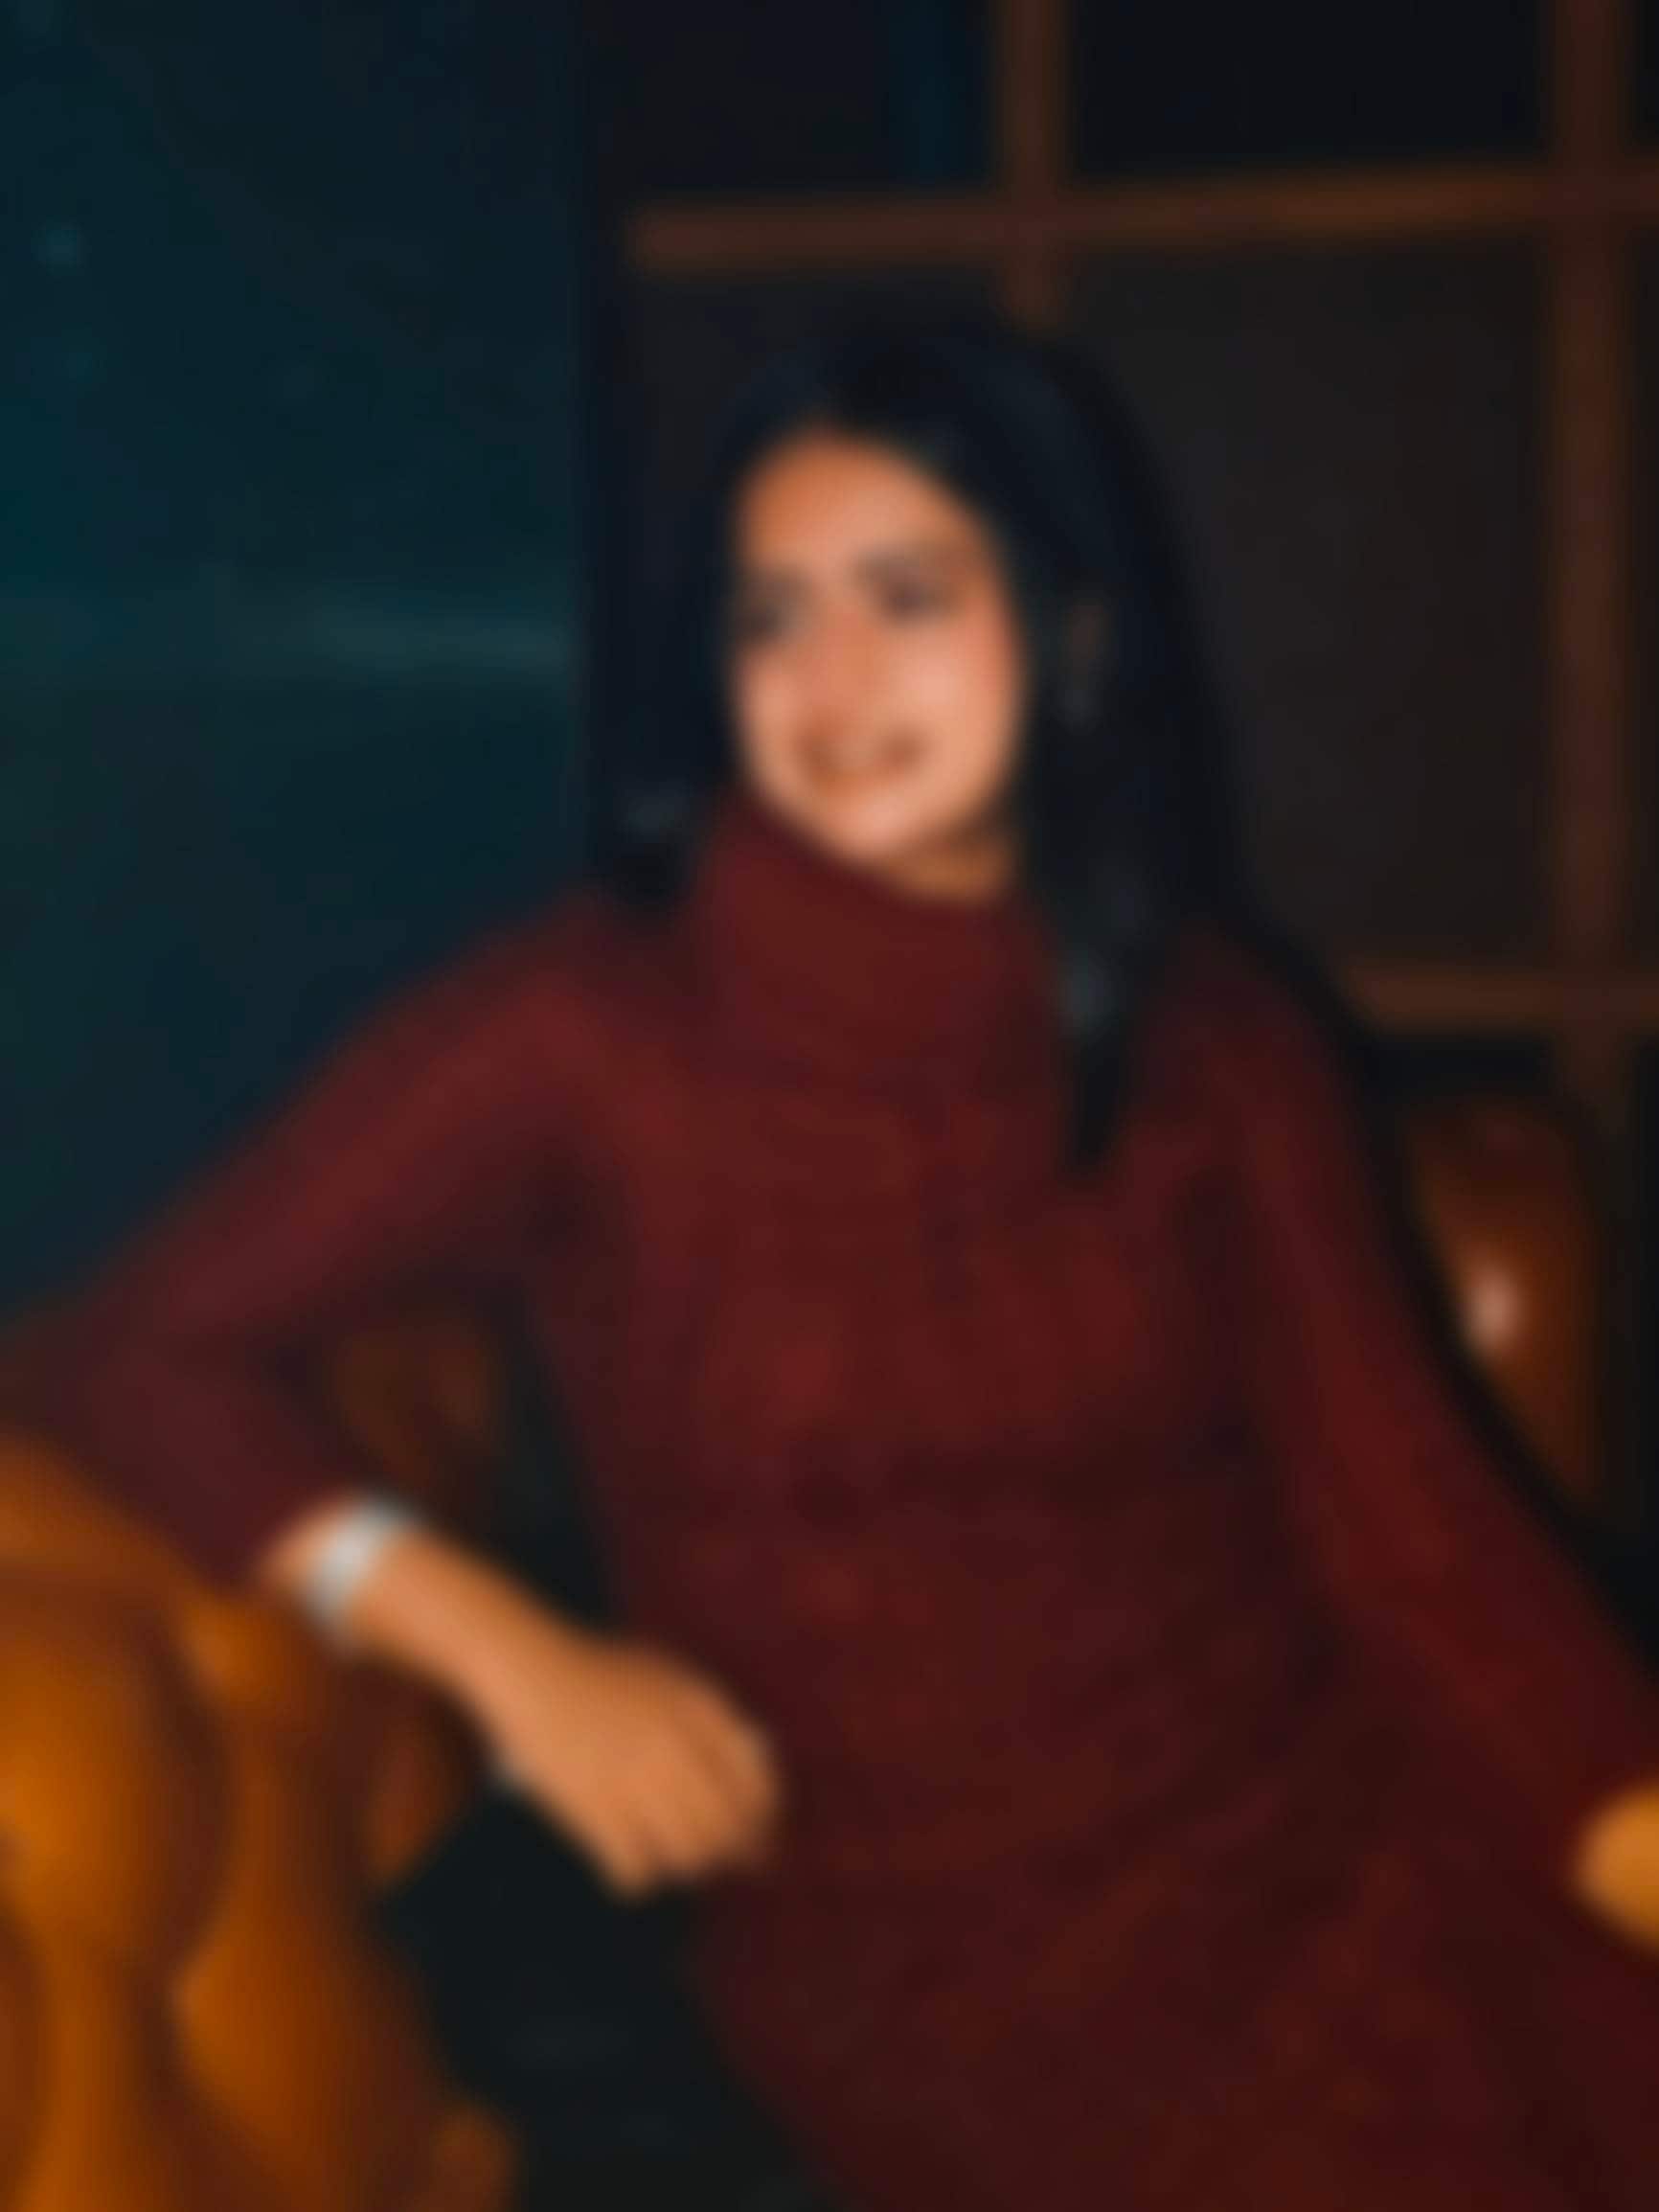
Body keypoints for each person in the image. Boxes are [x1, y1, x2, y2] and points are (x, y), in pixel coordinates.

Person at [13, 309, 1659, 2211]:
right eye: (769, 616)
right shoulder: (586, 1030)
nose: (829, 679)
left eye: (907, 596)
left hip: (1333, 1827)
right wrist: (509, 1654)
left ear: (1073, 637)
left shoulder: (1217, 1041)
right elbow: (132, 1351)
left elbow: (1422, 1545)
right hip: (925, 1970)